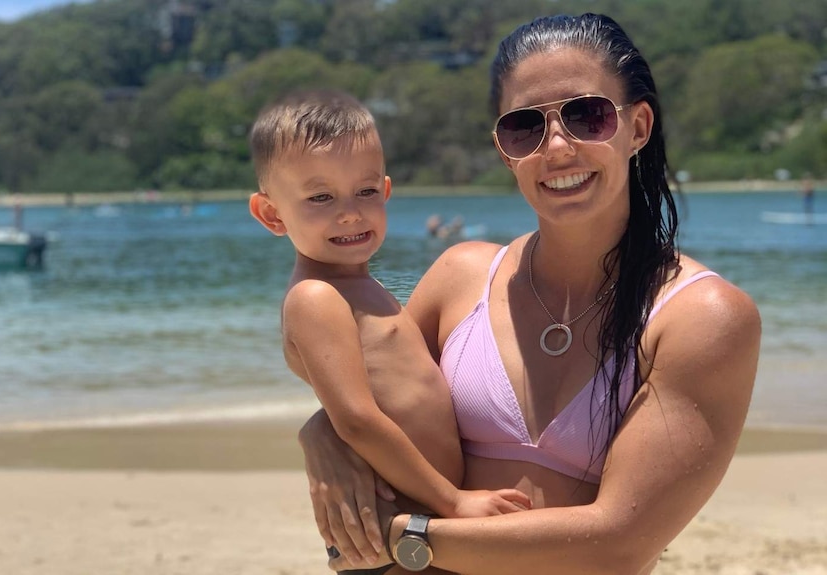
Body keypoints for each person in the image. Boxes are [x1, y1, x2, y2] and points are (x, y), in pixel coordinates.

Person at [298, 13, 761, 575]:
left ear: (638, 127)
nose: (557, 147)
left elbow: (618, 542)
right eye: (525, 127)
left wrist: (406, 540)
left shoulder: (700, 316)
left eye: (587, 116)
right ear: (504, 149)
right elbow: (376, 391)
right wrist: (319, 431)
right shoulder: (458, 277)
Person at [247, 90, 531, 573]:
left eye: (365, 192)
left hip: (422, 518)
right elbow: (356, 419)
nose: (350, 212)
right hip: (392, 533)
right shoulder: (315, 298)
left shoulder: (365, 289)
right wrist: (454, 502)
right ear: (272, 214)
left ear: (386, 191)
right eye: (320, 197)